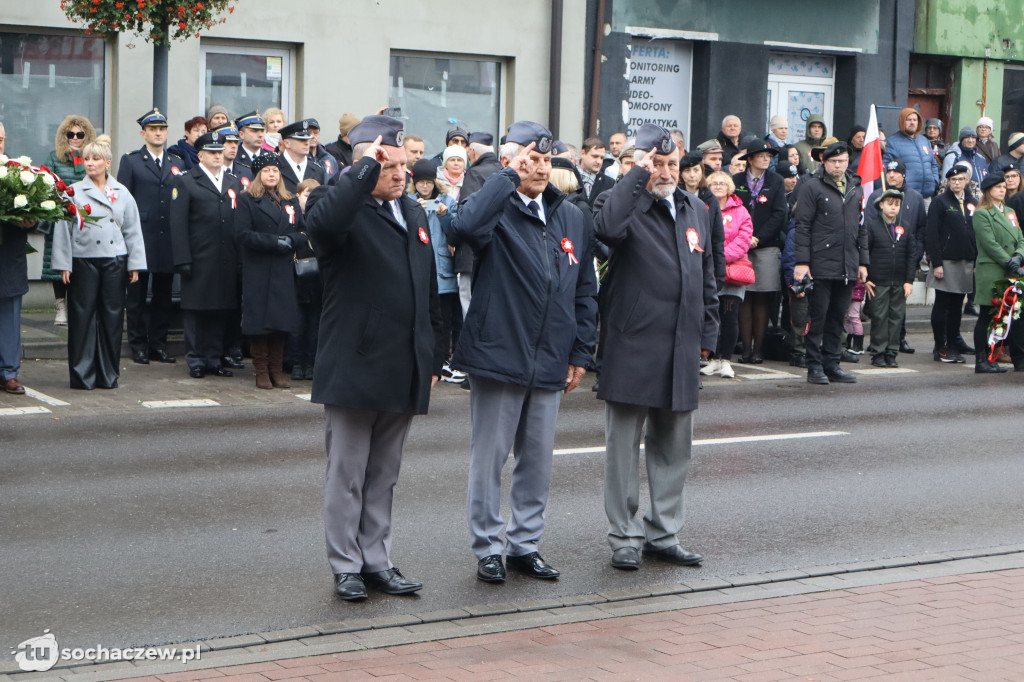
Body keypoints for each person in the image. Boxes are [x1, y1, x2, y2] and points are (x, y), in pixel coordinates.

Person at [448, 121, 597, 584]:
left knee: (536, 460)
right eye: (529, 159)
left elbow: (585, 289)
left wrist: (581, 350)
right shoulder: (497, 207)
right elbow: (465, 226)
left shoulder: (570, 214)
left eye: (545, 160)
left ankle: (524, 544)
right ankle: (488, 546)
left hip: (551, 356)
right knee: (489, 460)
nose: (538, 167)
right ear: (511, 161)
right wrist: (507, 175)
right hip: (500, 354)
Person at [304, 115, 444, 601]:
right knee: (347, 474)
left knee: (384, 474)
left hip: (402, 363)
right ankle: (345, 564)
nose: (401, 173)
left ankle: (376, 560)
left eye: (404, 164)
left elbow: (428, 290)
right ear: (365, 164)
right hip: (355, 361)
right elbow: (322, 224)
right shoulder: (336, 202)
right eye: (390, 166)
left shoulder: (415, 212)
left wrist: (431, 358)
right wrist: (365, 172)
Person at [594, 123, 718, 570]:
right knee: (623, 450)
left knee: (673, 448)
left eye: (671, 164)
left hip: (680, 346)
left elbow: (707, 277)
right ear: (637, 164)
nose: (665, 172)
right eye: (655, 164)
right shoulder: (620, 202)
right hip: (633, 344)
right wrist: (635, 179)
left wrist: (707, 334)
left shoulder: (695, 209)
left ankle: (663, 533)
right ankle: (624, 536)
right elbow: (606, 230)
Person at [52, 141, 146, 389]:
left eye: (96, 159)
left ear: (107, 162)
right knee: (81, 317)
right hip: (83, 259)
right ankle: (82, 375)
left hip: (115, 259)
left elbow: (132, 230)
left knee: (112, 317)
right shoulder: (71, 191)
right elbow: (62, 229)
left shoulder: (122, 192)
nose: (90, 163)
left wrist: (134, 263)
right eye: (86, 159)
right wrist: (64, 264)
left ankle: (107, 374)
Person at [170, 132, 244, 379]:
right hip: (199, 258)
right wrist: (183, 259)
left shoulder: (233, 181)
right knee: (196, 311)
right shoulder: (187, 181)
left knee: (220, 309)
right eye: (211, 152)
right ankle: (196, 359)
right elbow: (178, 225)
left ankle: (214, 357)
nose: (216, 156)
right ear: (200, 155)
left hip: (226, 259)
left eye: (219, 152)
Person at [793, 141, 867, 385]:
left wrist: (863, 262)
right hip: (820, 263)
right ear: (824, 162)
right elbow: (802, 227)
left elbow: (861, 227)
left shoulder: (856, 188)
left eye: (842, 161)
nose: (838, 165)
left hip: (847, 263)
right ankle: (814, 366)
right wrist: (803, 261)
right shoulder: (812, 187)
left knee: (838, 316)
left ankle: (832, 363)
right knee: (818, 316)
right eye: (833, 161)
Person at [117, 108, 185, 366]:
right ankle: (138, 345)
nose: (158, 133)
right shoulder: (131, 161)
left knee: (163, 297)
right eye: (153, 129)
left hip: (168, 238)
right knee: (135, 296)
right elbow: (124, 201)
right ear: (143, 133)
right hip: (140, 237)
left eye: (162, 129)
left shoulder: (177, 163)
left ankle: (158, 344)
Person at [235, 153, 304, 389]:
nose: (272, 174)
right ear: (258, 175)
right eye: (266, 171)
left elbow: (304, 232)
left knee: (280, 322)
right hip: (259, 269)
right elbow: (242, 234)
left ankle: (277, 369)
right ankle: (261, 370)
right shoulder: (247, 200)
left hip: (283, 271)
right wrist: (273, 242)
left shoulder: (290, 200)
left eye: (275, 170)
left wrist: (291, 240)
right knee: (261, 323)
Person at [864, 158, 928, 354]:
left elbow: (920, 230)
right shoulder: (876, 196)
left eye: (896, 172)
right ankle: (878, 349)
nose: (891, 175)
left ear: (903, 174)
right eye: (888, 172)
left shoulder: (915, 197)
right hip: (879, 270)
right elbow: (866, 240)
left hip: (903, 265)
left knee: (897, 312)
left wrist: (915, 259)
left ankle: (896, 344)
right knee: (880, 312)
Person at [732, 140, 786, 364]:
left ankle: (759, 350)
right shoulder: (736, 181)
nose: (766, 159)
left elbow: (779, 213)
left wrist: (759, 237)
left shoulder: (776, 181)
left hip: (766, 246)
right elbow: (731, 210)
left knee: (762, 298)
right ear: (750, 158)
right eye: (762, 155)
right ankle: (745, 349)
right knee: (744, 299)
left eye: (769, 156)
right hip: (740, 247)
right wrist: (744, 238)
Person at [409, 159, 462, 383]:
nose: (425, 187)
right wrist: (414, 212)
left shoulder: (447, 201)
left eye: (428, 182)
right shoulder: (407, 201)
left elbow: (455, 232)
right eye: (420, 183)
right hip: (417, 268)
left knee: (443, 322)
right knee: (418, 321)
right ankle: (419, 363)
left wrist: (444, 214)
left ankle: (439, 365)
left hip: (442, 271)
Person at [44, 114, 97, 326]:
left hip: (84, 217)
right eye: (71, 134)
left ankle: (77, 306)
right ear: (64, 135)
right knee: (57, 264)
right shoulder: (54, 157)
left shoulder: (92, 157)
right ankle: (61, 307)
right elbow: (46, 182)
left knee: (81, 265)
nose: (75, 137)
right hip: (59, 218)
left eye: (80, 134)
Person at [0, 124, 40, 395]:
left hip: (10, 257)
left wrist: (31, 221)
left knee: (10, 317)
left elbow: (38, 214)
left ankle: (9, 372)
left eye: (1, 139)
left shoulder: (19, 174)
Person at [700, 171, 751, 379]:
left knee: (730, 317)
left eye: (723, 183)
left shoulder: (741, 211)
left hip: (732, 271)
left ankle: (726, 360)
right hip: (708, 270)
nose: (719, 186)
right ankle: (712, 359)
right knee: (712, 317)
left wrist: (720, 257)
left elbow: (743, 239)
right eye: (714, 183)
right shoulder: (702, 207)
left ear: (730, 187)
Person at [972, 172, 1024, 372]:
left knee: (1001, 317)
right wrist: (1009, 261)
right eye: (998, 187)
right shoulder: (982, 213)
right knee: (986, 314)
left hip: (1009, 269)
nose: (1003, 190)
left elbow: (1020, 237)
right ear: (988, 190)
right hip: (992, 270)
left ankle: (992, 357)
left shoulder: (1009, 211)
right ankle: (980, 359)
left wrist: (1019, 256)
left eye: (1004, 187)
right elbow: (990, 243)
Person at [925, 163, 977, 363]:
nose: (957, 183)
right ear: (948, 182)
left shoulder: (972, 202)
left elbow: (975, 232)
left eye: (961, 179)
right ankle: (941, 347)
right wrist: (936, 262)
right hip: (946, 262)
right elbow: (932, 234)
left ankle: (953, 344)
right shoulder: (940, 202)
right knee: (943, 304)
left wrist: (975, 259)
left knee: (957, 306)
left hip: (966, 261)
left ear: (967, 181)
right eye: (953, 180)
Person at [863, 189, 917, 368]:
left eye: (897, 205)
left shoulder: (906, 226)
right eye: (889, 204)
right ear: (881, 205)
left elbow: (911, 255)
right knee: (879, 317)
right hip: (878, 279)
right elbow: (865, 251)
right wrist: (867, 277)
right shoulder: (871, 225)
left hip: (899, 281)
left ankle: (891, 352)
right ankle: (878, 352)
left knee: (896, 318)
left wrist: (909, 280)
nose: (893, 208)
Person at [289, 178, 322, 381]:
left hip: (318, 281)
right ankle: (295, 362)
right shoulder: (293, 218)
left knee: (315, 325)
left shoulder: (322, 219)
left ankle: (310, 362)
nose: (309, 200)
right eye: (306, 195)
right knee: (297, 324)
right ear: (298, 196)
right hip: (296, 278)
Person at [884, 108, 940, 198]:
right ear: (902, 121)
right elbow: (886, 168)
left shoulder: (924, 141)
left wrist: (935, 181)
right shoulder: (892, 142)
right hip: (906, 196)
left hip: (927, 196)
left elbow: (933, 164)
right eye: (909, 120)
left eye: (915, 120)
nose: (912, 122)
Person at [278, 120, 326, 193]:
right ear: (287, 143)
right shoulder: (275, 167)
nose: (307, 143)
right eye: (301, 140)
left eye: (308, 139)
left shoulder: (317, 170)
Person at [212, 123, 253, 189]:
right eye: (229, 142)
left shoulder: (247, 172)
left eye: (236, 142)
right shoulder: (211, 171)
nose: (234, 146)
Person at [579, 136, 615, 207]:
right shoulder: (570, 176)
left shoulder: (609, 183)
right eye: (595, 156)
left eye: (602, 158)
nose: (599, 161)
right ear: (583, 154)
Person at [306, 119, 340, 185]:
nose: (312, 136)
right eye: (309, 132)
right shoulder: (300, 158)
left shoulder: (330, 159)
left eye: (315, 132)